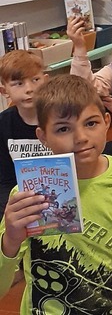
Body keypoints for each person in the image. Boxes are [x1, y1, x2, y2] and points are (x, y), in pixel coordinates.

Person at [0, 74, 112, 313]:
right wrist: (11, 239)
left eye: (91, 123)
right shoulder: (27, 195)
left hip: (109, 303)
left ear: (107, 122)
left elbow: (107, 227)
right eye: (63, 128)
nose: (81, 137)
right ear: (43, 137)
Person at [0, 50, 51, 217]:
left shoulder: (62, 117)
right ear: (4, 90)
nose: (29, 89)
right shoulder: (3, 125)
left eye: (35, 80)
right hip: (20, 203)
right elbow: (4, 180)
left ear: (46, 80)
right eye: (18, 83)